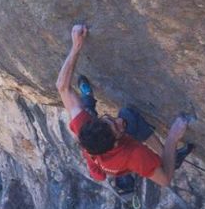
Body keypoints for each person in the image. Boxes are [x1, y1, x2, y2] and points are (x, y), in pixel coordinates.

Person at [56, 24, 191, 188]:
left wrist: (76, 46)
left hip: (101, 151)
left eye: (110, 119)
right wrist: (172, 138)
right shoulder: (132, 156)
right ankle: (168, 154)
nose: (119, 121)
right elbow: (165, 180)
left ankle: (88, 98)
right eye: (118, 128)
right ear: (115, 143)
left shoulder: (84, 128)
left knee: (89, 107)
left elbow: (62, 87)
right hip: (120, 159)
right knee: (128, 116)